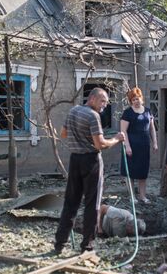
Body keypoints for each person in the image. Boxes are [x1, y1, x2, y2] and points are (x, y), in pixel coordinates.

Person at [53, 88, 125, 254]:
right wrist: (116, 139)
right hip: (91, 161)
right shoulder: (93, 116)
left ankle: (59, 244)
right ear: (92, 98)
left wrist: (79, 137)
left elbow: (63, 134)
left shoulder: (73, 111)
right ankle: (87, 246)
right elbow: (100, 144)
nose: (104, 106)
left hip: (75, 159)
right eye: (102, 101)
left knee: (70, 203)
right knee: (92, 204)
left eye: (106, 103)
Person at [120, 87, 157, 203]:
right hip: (131, 144)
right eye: (133, 100)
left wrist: (155, 143)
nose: (136, 101)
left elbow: (152, 128)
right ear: (131, 101)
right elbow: (123, 131)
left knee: (142, 172)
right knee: (130, 172)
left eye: (137, 99)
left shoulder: (148, 111)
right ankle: (132, 197)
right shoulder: (127, 113)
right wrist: (127, 146)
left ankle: (142, 196)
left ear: (141, 98)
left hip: (144, 146)